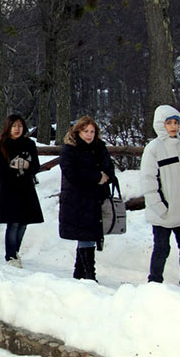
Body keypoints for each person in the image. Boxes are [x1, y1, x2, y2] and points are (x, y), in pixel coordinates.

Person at [140, 106, 180, 294]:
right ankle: (154, 286)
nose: (173, 127)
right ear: (161, 124)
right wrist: (160, 207)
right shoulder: (153, 149)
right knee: (161, 249)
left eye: (176, 122)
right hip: (165, 211)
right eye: (169, 123)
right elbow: (148, 181)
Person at [58, 116, 114, 281]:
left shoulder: (100, 147)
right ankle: (89, 275)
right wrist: (96, 176)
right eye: (85, 131)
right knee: (86, 236)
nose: (89, 135)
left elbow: (109, 168)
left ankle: (80, 273)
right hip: (77, 200)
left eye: (92, 131)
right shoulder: (70, 149)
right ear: (78, 131)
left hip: (96, 199)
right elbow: (71, 172)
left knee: (88, 235)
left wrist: (105, 176)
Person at [0, 115, 43, 267]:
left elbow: (36, 166)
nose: (17, 129)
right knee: (13, 223)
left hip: (26, 187)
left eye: (20, 126)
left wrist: (27, 166)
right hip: (9, 188)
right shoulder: (0, 144)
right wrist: (10, 169)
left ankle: (16, 250)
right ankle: (10, 255)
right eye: (14, 126)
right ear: (8, 127)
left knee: (24, 222)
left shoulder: (29, 144)